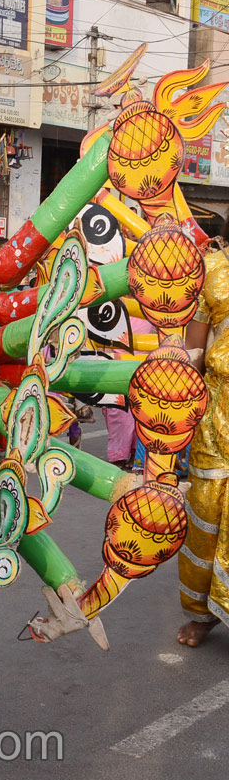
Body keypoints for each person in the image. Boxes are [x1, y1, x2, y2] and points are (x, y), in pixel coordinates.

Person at [176, 251, 229, 647]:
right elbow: (194, 352)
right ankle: (201, 613)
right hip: (216, 415)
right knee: (207, 513)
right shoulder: (212, 270)